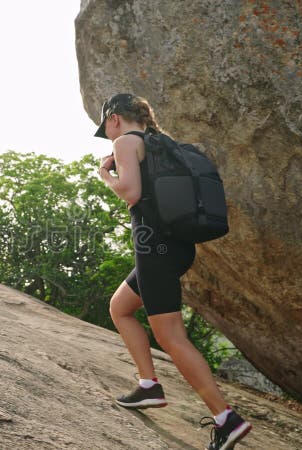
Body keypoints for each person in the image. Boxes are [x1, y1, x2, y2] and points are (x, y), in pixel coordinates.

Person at [95, 93, 251, 450]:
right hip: (176, 248)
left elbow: (131, 192)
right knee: (120, 308)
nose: (108, 134)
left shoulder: (124, 142)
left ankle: (226, 419)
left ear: (115, 118)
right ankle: (149, 385)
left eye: (106, 127)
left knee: (171, 337)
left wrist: (105, 174)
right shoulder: (161, 143)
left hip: (154, 251)